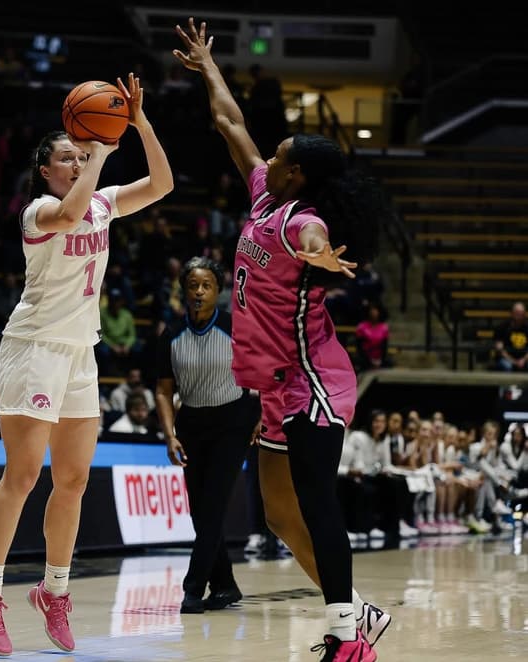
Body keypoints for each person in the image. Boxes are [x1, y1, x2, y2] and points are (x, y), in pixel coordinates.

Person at [173, 18, 393, 661]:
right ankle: (358, 612)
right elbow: (232, 126)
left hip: (314, 377)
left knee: (318, 500)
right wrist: (209, 67)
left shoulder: (303, 219)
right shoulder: (265, 196)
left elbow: (314, 241)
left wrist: (322, 259)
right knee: (277, 515)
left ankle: (348, 640)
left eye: (280, 157)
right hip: (271, 383)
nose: (267, 158)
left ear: (296, 175)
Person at [0, 71, 173, 657]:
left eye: (80, 155)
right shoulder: (38, 210)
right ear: (45, 171)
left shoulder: (101, 200)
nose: (78, 163)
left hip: (81, 351)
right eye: (67, 158)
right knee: (24, 476)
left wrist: (140, 122)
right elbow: (74, 210)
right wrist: (100, 156)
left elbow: (162, 183)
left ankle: (54, 591)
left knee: (74, 480)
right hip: (34, 349)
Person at [156, 256, 260, 613]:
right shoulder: (170, 335)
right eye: (193, 286)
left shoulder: (236, 328)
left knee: (213, 507)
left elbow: (262, 372)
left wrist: (261, 415)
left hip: (233, 422)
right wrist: (170, 435)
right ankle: (226, 586)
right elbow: (162, 390)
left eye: (207, 286)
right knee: (200, 512)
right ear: (184, 290)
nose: (199, 292)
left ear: (218, 291)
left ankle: (192, 588)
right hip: (192, 425)